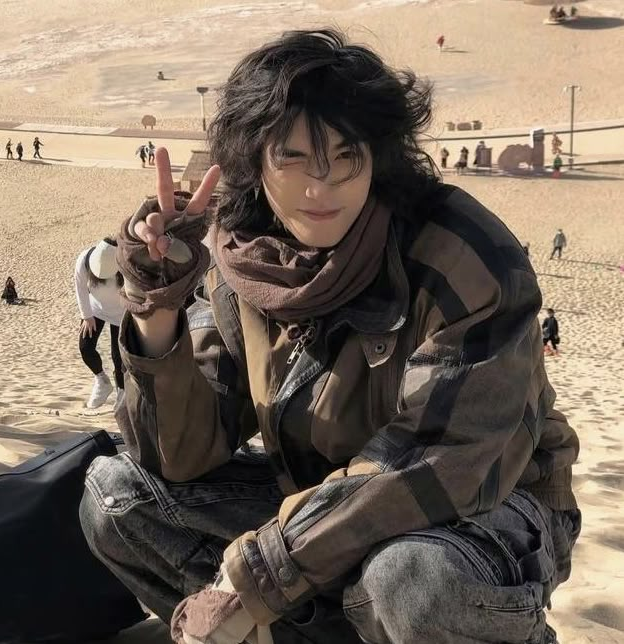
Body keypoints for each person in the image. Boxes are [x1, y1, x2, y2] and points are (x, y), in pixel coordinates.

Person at [80, 29, 580, 644]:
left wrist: (253, 579)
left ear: (380, 155)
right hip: (316, 506)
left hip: (484, 511)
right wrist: (158, 305)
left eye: (346, 156)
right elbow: (185, 456)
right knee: (115, 497)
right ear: (253, 158)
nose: (321, 188)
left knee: (410, 577)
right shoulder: (244, 259)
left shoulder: (460, 256)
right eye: (291, 158)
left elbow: (440, 463)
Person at [74, 238, 125, 409]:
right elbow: (80, 287)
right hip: (95, 310)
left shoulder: (128, 263)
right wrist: (86, 315)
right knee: (85, 347)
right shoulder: (85, 259)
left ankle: (122, 395)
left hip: (121, 314)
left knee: (119, 358)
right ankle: (102, 381)